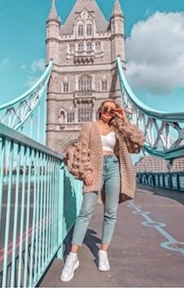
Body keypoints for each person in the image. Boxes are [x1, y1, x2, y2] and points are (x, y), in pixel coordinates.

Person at [60, 100, 144, 282]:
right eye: (105, 109)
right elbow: (82, 150)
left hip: (114, 168)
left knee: (111, 213)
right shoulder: (89, 126)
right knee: (85, 212)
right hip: (95, 169)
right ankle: (72, 257)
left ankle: (103, 252)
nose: (108, 111)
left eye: (112, 110)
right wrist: (85, 172)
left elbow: (137, 144)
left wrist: (124, 120)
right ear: (100, 110)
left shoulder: (119, 130)